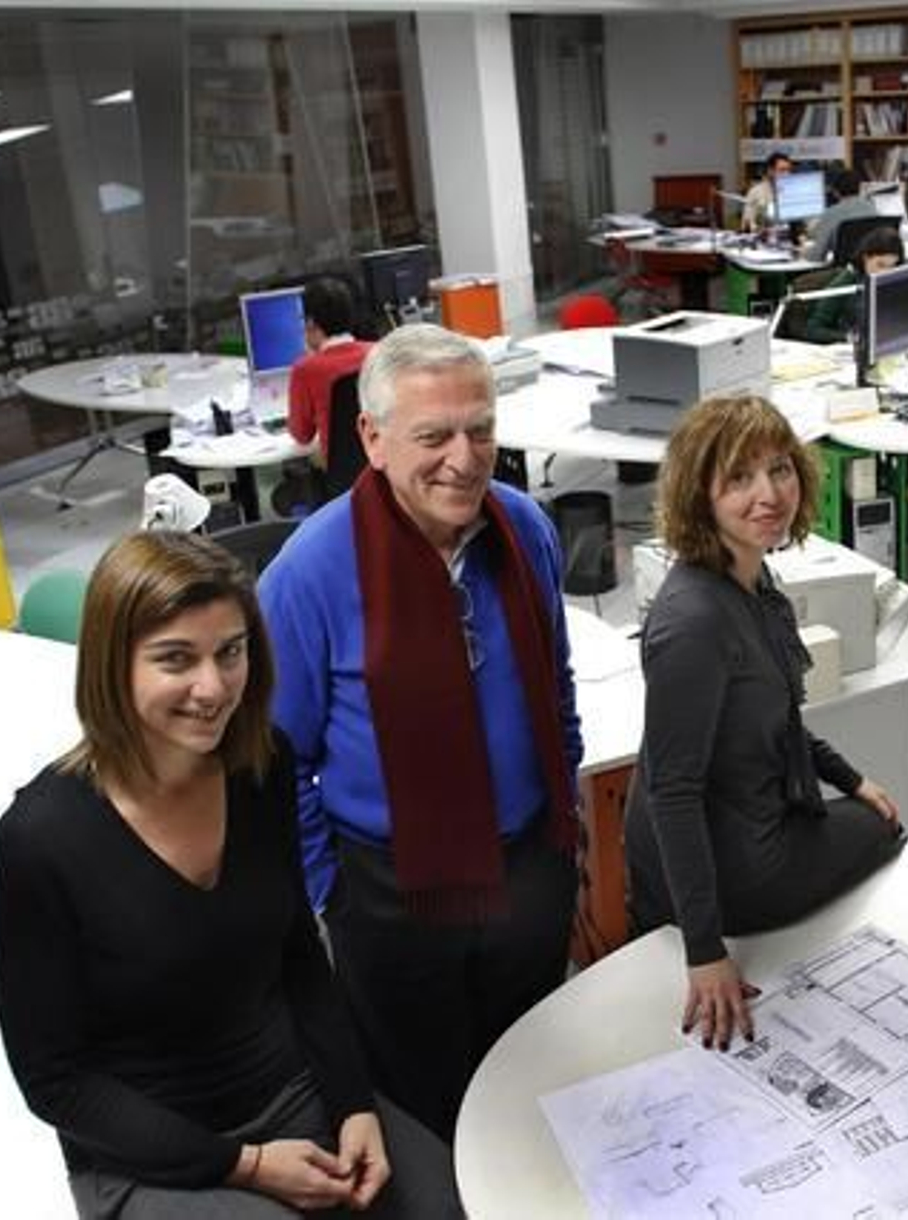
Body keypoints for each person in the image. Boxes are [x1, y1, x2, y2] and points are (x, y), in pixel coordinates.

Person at [0, 531, 459, 1220]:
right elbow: (56, 1082)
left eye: (230, 652)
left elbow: (299, 954)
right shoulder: (37, 842)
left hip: (293, 1092)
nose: (213, 688)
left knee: (449, 1205)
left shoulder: (262, 766)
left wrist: (355, 1104)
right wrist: (249, 1167)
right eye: (176, 659)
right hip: (150, 1150)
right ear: (112, 666)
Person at [259, 323, 582, 1141]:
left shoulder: (524, 529)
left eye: (481, 429)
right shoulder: (308, 572)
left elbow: (559, 683)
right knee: (426, 1099)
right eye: (433, 436)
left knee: (533, 1074)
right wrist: (331, 889)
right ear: (371, 439)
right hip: (391, 895)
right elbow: (274, 757)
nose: (465, 458)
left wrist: (565, 826)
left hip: (529, 866)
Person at [625, 395, 904, 1053]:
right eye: (739, 479)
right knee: (887, 834)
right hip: (735, 863)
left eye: (779, 469)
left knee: (873, 811)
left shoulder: (749, 575)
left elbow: (772, 717)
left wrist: (851, 776)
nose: (769, 494)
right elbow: (673, 793)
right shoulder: (693, 622)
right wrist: (705, 951)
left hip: (753, 811)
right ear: (701, 495)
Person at [288, 277, 373, 466]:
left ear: (310, 323)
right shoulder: (379, 353)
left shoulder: (305, 369)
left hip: (342, 476)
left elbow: (302, 436)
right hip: (384, 468)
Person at [795, 224, 905, 345]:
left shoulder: (893, 280)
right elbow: (812, 329)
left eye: (891, 267)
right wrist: (849, 338)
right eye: (880, 265)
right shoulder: (847, 281)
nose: (884, 273)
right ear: (866, 258)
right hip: (853, 350)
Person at [808, 167, 879, 263]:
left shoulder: (831, 213)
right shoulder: (872, 208)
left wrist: (803, 252)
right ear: (859, 188)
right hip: (867, 268)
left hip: (842, 272)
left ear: (835, 192)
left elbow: (816, 257)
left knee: (804, 279)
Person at [741, 152, 793, 232]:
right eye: (782, 170)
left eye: (788, 170)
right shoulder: (756, 192)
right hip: (766, 239)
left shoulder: (794, 192)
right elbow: (747, 222)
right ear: (770, 171)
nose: (787, 174)